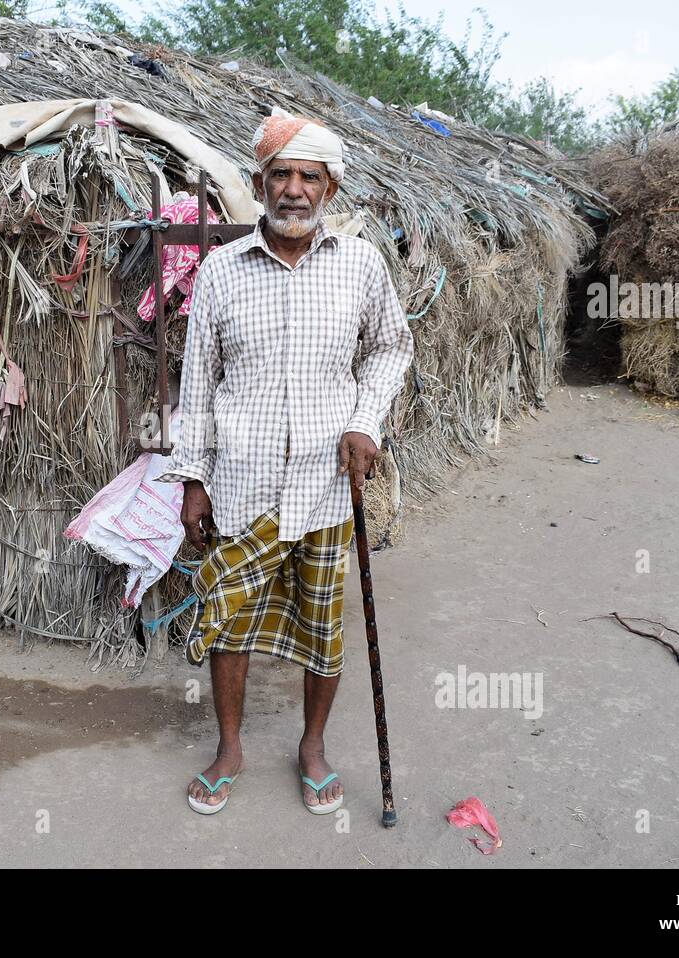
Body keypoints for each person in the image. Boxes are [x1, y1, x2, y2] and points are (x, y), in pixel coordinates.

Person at [153, 110, 415, 815]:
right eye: (281, 175)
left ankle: (313, 747)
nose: (293, 189)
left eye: (308, 176)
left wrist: (365, 423)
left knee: (323, 624)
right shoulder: (220, 273)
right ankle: (230, 747)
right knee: (229, 623)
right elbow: (199, 381)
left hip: (328, 491)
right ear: (261, 182)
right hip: (241, 484)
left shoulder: (360, 265)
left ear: (329, 187)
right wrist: (194, 480)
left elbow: (392, 347)